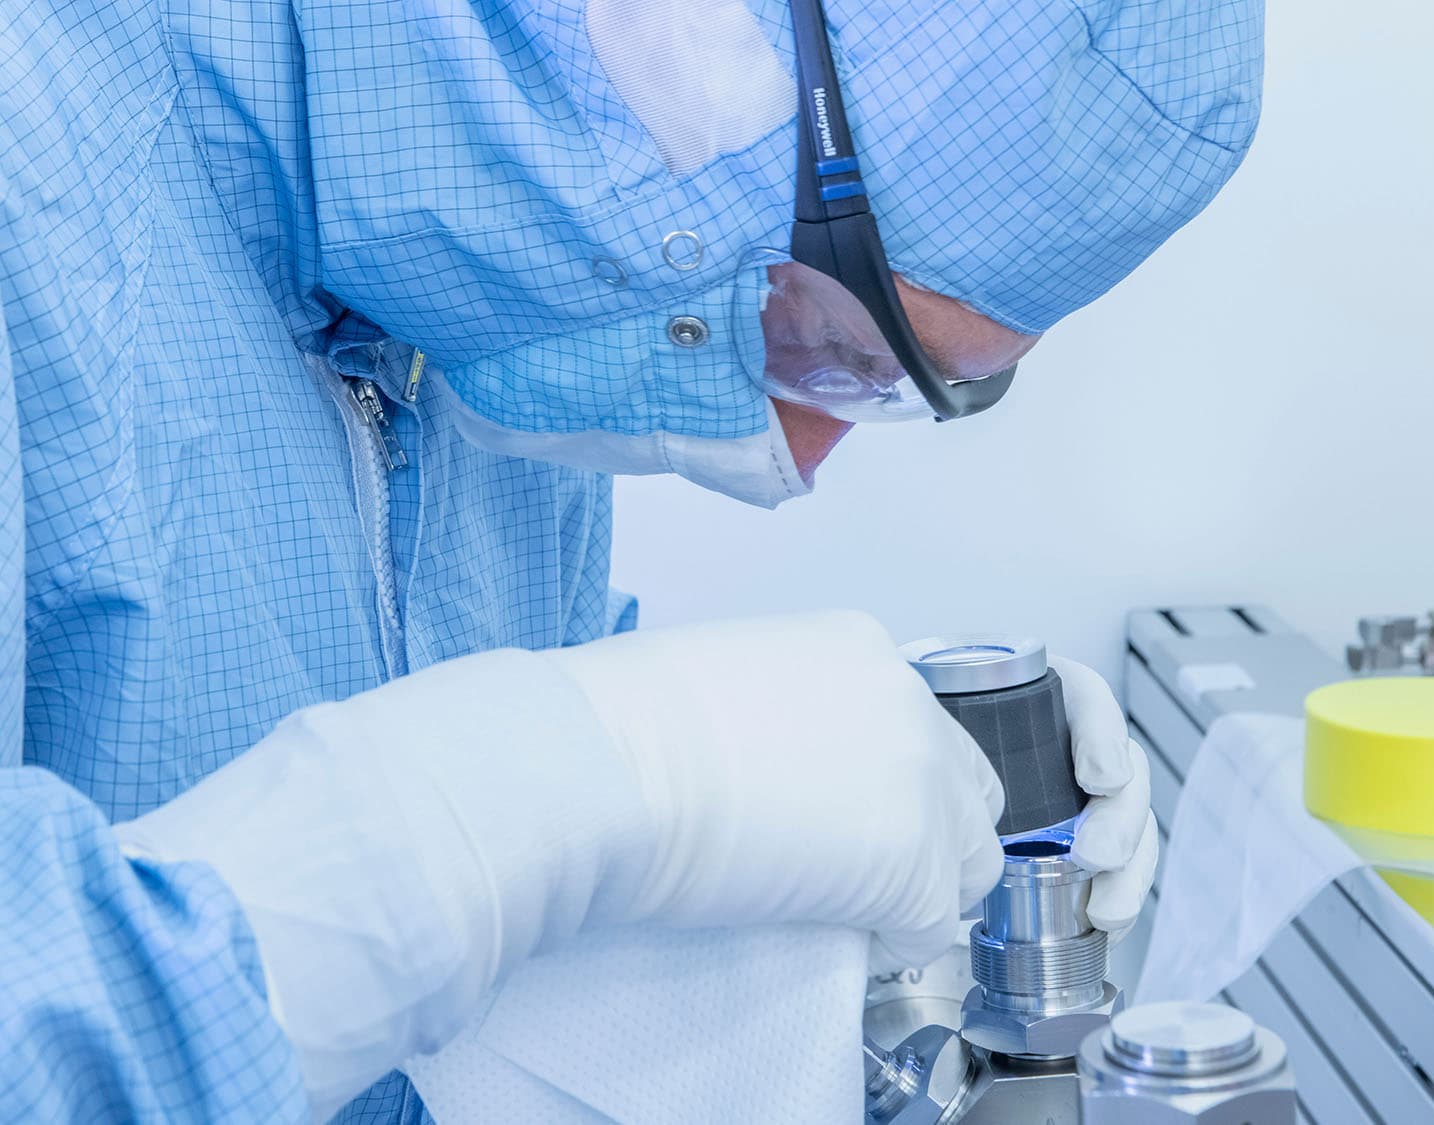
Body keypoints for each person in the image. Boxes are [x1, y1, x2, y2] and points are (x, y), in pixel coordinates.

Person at [0, 0, 1262, 1120]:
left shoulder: (470, 311)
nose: (799, 451)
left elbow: (523, 944)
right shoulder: (32, 150)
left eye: (894, 390)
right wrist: (503, 808)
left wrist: (817, 856)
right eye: (830, 335)